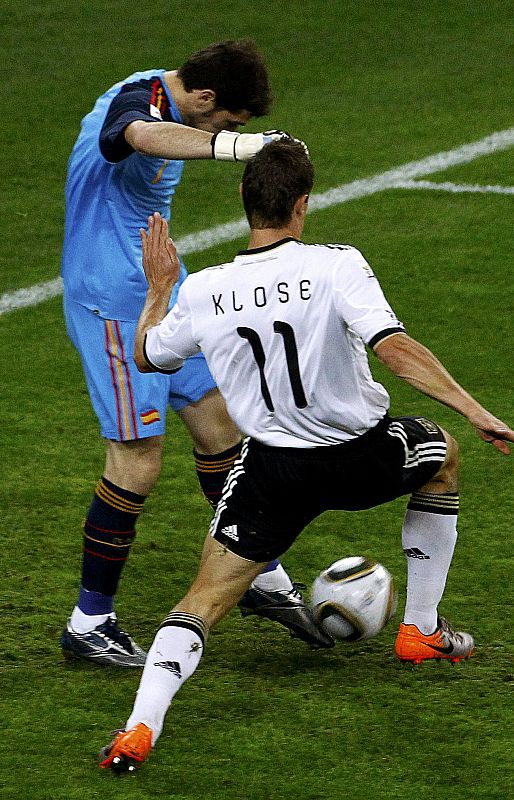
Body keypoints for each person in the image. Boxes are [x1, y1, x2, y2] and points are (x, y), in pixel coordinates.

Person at [99, 140, 514, 772]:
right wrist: (475, 411)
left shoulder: (206, 290)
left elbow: (147, 355)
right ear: (302, 205)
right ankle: (420, 630)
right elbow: (392, 347)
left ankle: (138, 731)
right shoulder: (337, 265)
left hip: (271, 471)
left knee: (199, 603)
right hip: (361, 456)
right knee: (442, 455)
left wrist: (159, 288)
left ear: (247, 204)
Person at [60, 40, 332, 669]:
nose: (230, 132)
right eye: (229, 121)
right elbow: (138, 135)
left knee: (221, 426)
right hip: (112, 305)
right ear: (204, 99)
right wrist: (237, 148)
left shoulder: (174, 103)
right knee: (136, 460)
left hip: (163, 291)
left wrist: (236, 141)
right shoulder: (135, 103)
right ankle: (89, 621)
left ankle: (261, 580)